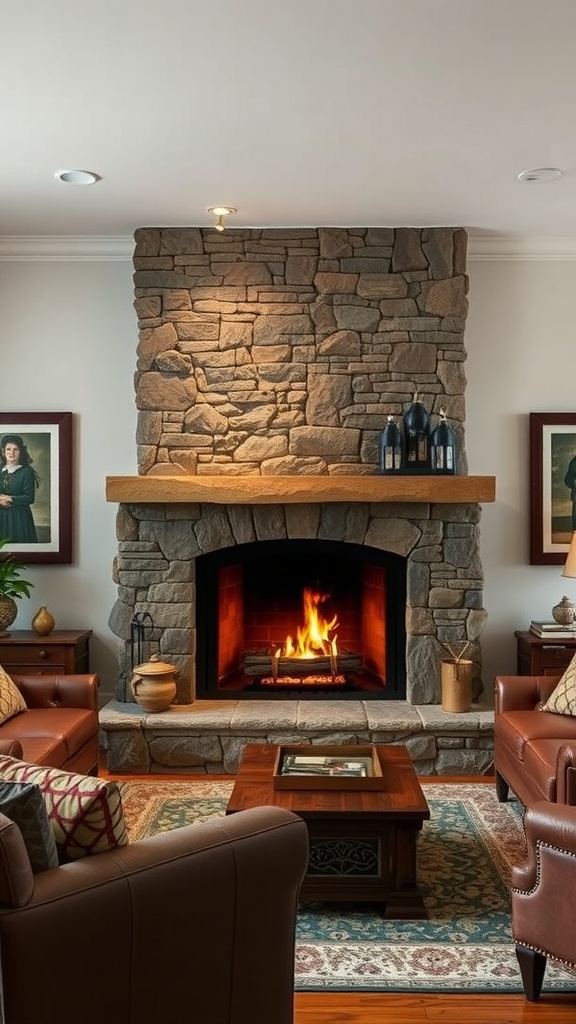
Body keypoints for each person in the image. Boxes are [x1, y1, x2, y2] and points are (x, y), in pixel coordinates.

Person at [0, 434, 40, 542]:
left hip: (19, 518)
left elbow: (29, 498)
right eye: (8, 449)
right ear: (3, 451)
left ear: (20, 451)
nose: (11, 453)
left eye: (15, 449)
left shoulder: (26, 472)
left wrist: (8, 498)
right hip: (1, 517)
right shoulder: (0, 470)